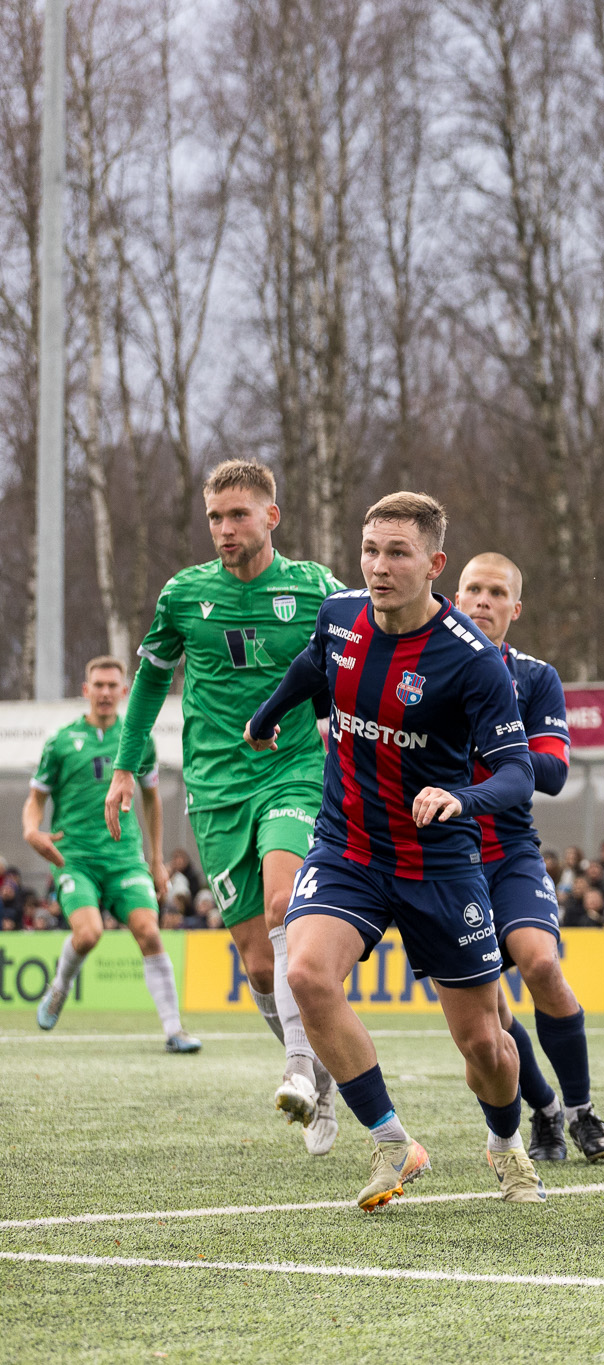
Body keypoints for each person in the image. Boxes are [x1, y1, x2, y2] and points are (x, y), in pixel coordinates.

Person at [246, 491, 542, 1208]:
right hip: (348, 844)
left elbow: (518, 772)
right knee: (310, 973)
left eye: (398, 553)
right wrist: (267, 715)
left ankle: (506, 1144)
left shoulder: (472, 659)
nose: (379, 566)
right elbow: (315, 668)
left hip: (439, 862)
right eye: (371, 550)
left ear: (434, 563)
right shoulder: (339, 615)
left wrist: (459, 797)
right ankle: (389, 1141)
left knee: (486, 1048)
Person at [107, 459, 345, 1151]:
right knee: (261, 966)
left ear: (272, 516)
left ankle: (300, 1068)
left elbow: (364, 655)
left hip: (294, 771)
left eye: (238, 514)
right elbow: (150, 683)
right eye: (215, 516)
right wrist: (125, 767)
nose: (224, 528)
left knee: (283, 905)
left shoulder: (315, 589)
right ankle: (325, 1083)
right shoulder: (183, 595)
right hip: (213, 789)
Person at [454, 553, 604, 1163]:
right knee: (488, 1013)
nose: (483, 600)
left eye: (496, 592)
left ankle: (579, 1113)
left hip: (509, 854)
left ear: (514, 610)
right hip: (443, 863)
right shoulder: (421, 662)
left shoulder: (535, 677)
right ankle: (544, 1111)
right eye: (473, 588)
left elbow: (549, 772)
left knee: (541, 965)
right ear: (453, 592)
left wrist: (497, 741)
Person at [28, 658, 197, 1052]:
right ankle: (59, 987)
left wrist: (156, 862)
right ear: (86, 690)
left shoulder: (139, 738)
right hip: (75, 857)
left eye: (113, 686)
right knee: (88, 934)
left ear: (124, 692)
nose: (105, 692)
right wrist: (29, 830)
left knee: (150, 932)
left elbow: (153, 802)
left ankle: (174, 1030)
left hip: (125, 858)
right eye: (98, 685)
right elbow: (35, 800)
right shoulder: (60, 741)